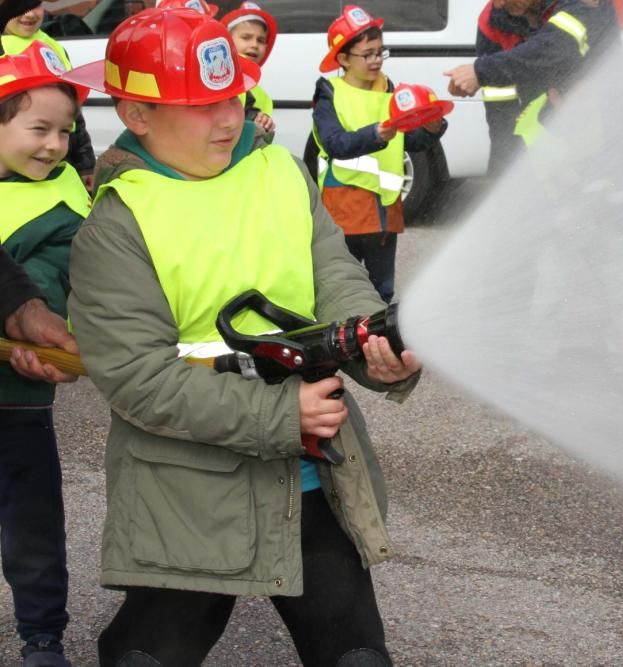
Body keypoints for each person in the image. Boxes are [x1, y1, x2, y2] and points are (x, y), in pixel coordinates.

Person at [62, 7, 421, 666]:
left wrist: (376, 348)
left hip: (309, 478)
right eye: (201, 105)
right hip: (188, 493)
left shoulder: (281, 173)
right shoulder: (116, 226)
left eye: (232, 95)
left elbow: (336, 277)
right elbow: (138, 381)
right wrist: (283, 413)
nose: (229, 118)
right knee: (147, 653)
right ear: (136, 114)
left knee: (357, 656)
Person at [0, 40, 90, 667]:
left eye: (64, 132)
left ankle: (40, 636)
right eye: (39, 128)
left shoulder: (64, 208)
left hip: (18, 400)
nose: (54, 145)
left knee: (30, 525)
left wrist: (38, 338)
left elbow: (53, 289)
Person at [311, 4, 447, 304]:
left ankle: (377, 348)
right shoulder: (329, 93)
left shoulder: (389, 89)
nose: (376, 60)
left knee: (382, 292)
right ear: (343, 58)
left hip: (385, 212)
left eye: (380, 52)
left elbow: (411, 139)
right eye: (367, 53)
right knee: (341, 288)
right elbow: (335, 144)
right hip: (345, 207)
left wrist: (434, 128)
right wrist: (376, 135)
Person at [445, 0, 619, 146]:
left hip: (606, 123)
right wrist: (500, 171)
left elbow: (557, 47)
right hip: (550, 140)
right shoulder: (492, 20)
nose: (500, 4)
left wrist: (481, 71)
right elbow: (500, 114)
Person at [1, 1, 96, 189]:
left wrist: (85, 165)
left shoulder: (53, 47)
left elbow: (74, 115)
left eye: (35, 5)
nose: (29, 14)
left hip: (57, 161)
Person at [474, 0, 532, 176]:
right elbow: (497, 98)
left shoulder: (561, 7)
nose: (498, 4)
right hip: (516, 113)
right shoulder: (489, 20)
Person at [221, 1, 278, 133]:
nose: (254, 45)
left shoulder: (262, 95)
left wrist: (265, 123)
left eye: (261, 40)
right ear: (227, 40)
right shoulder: (217, 80)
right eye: (246, 37)